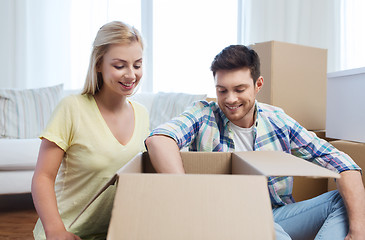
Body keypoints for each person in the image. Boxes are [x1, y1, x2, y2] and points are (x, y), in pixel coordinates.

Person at [145, 45, 365, 239]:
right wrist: (184, 193)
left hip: (277, 216)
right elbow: (159, 139)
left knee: (344, 201)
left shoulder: (277, 120)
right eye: (222, 90)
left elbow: (344, 165)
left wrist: (358, 231)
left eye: (239, 89)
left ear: (258, 85)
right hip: (225, 220)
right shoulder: (203, 114)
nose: (230, 99)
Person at [31, 21, 149, 240]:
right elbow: (42, 177)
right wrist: (55, 230)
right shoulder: (71, 108)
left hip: (114, 233)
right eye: (120, 65)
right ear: (98, 64)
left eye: (137, 65)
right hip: (67, 231)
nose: (131, 75)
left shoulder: (142, 114)